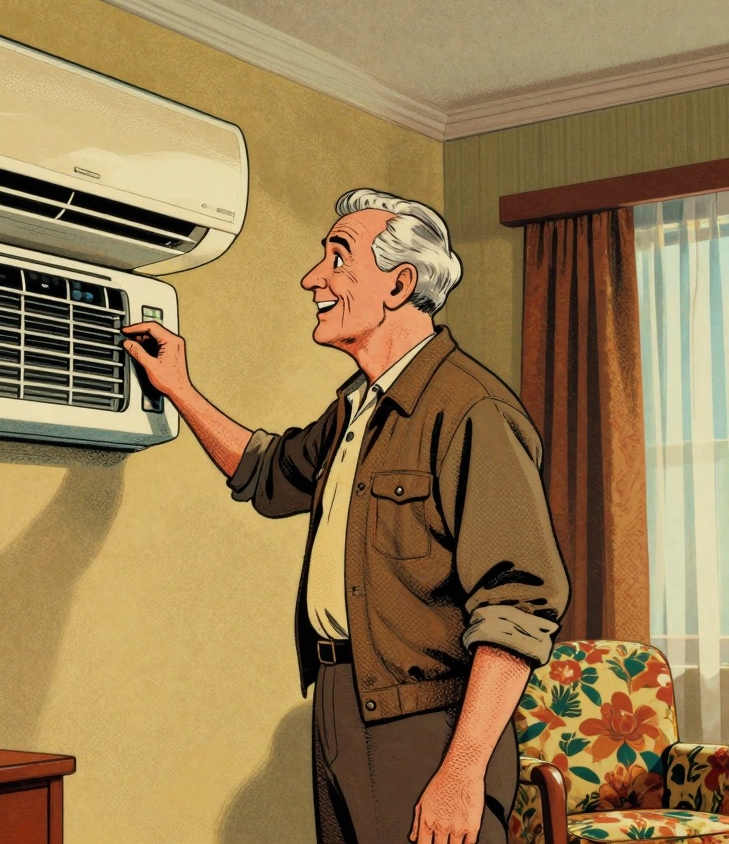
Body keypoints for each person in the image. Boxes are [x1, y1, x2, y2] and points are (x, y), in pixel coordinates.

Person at [121, 188, 570, 844]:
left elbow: (518, 605)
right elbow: (268, 474)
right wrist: (179, 389)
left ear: (400, 283)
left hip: (426, 728)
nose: (313, 279)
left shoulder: (471, 412)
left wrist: (463, 769)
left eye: (337, 257)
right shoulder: (356, 410)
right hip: (338, 702)